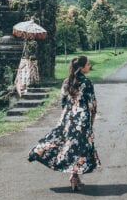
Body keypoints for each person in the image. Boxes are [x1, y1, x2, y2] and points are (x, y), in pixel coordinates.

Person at [27, 55, 100, 191]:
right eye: (88, 64)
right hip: (82, 118)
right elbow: (93, 104)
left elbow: (63, 101)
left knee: (64, 143)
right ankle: (74, 177)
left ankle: (74, 176)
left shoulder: (67, 82)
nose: (90, 66)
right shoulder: (87, 82)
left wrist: (67, 115)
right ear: (82, 67)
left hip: (67, 117)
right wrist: (92, 119)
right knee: (79, 147)